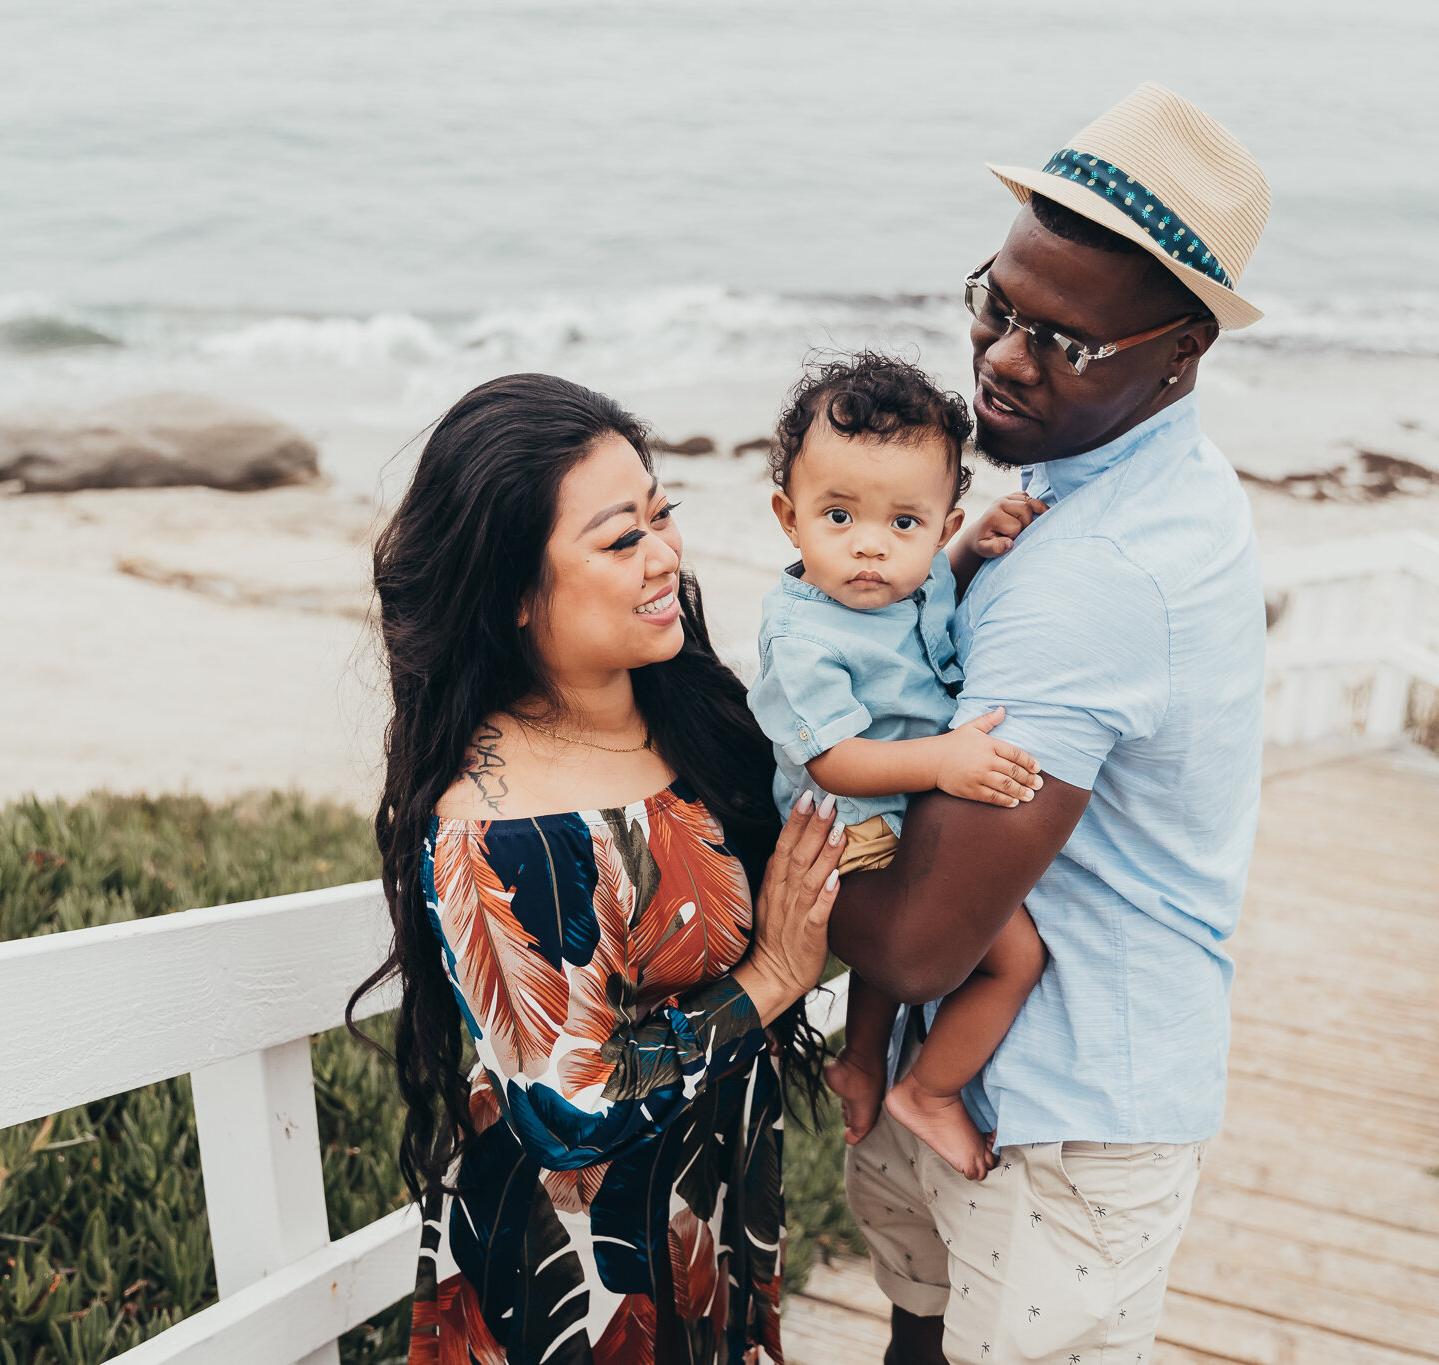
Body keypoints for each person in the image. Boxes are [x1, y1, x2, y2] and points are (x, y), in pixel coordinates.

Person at [827, 82, 1275, 1365]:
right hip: (980, 1079)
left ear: (1183, 347)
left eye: (1066, 343)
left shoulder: (1092, 573)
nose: (1003, 359)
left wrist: (700, 852)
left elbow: (916, 943)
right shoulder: (1144, 482)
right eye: (996, 303)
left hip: (1059, 1111)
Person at [349, 373, 846, 1365]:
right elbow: (571, 1103)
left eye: (662, 516)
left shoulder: (681, 707)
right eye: (621, 541)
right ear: (513, 594)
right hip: (575, 1281)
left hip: (701, 1230)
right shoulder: (495, 830)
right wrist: (768, 983)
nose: (664, 556)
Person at [745, 353, 1050, 1182]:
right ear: (788, 516)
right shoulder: (802, 634)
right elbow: (835, 758)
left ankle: (865, 1062)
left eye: (904, 525)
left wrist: (970, 558)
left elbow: (917, 615)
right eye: (838, 516)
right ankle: (934, 1089)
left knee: (911, 953)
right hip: (846, 828)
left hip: (896, 811)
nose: (871, 549)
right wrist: (945, 760)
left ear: (941, 525)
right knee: (1014, 957)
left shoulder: (910, 581)